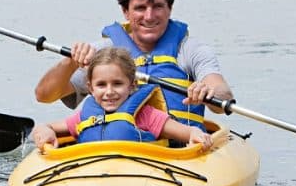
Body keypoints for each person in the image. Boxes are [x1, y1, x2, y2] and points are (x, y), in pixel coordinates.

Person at [33, 0, 232, 130]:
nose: (149, 16)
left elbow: (221, 96)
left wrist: (207, 92)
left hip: (178, 151)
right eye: (140, 8)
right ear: (125, 11)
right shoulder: (104, 53)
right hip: (118, 146)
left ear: (170, 8)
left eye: (157, 6)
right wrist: (69, 63)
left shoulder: (190, 50)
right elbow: (44, 96)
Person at [30, 48, 213, 152]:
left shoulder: (147, 115)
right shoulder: (84, 118)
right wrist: (45, 131)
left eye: (117, 84)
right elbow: (48, 127)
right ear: (91, 88)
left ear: (132, 85)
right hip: (92, 178)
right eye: (101, 85)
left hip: (141, 178)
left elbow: (186, 132)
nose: (109, 92)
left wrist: (195, 135)